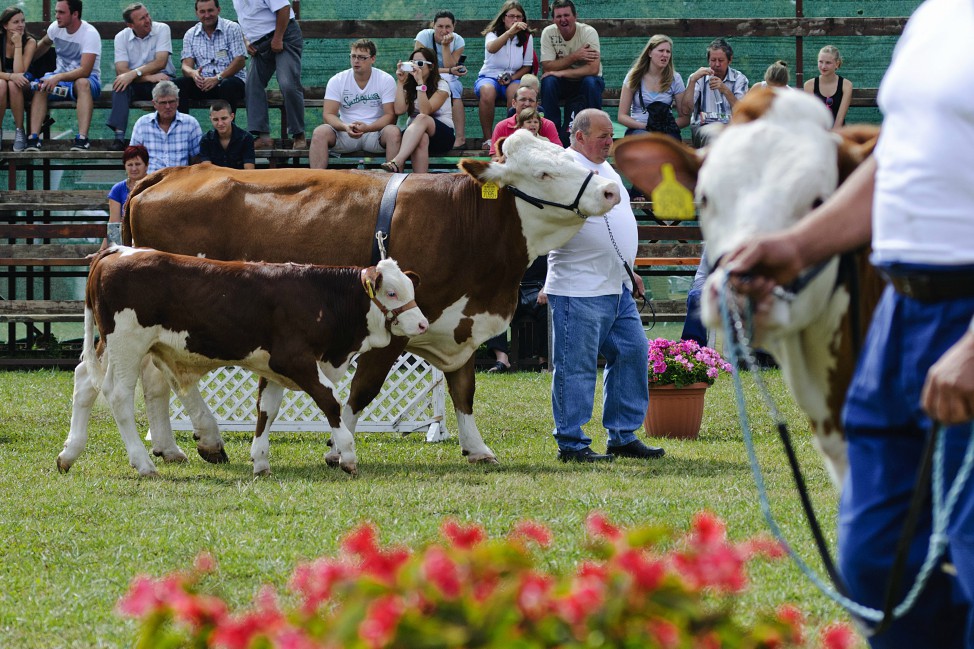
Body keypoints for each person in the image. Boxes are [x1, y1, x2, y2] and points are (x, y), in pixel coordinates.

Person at [723, 1, 974, 645]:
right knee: (874, 566)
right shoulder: (936, 16)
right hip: (903, 311)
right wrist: (800, 246)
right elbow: (901, 159)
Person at [546, 108, 664, 463]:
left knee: (632, 352)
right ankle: (571, 443)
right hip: (577, 288)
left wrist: (629, 268)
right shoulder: (561, 169)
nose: (609, 143)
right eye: (602, 136)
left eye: (611, 136)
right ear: (578, 136)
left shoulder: (605, 168)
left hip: (617, 287)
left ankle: (623, 435)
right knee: (576, 367)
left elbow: (614, 225)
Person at [308, 38, 399, 170]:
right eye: (353, 56)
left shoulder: (385, 79)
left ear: (373, 59)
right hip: (345, 133)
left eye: (362, 57)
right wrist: (345, 126)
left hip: (375, 133)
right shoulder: (337, 80)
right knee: (319, 132)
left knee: (393, 132)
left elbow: (390, 116)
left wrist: (368, 128)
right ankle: (316, 183)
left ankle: (394, 183)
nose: (356, 61)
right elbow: (328, 114)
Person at [24, 0, 102, 152]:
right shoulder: (56, 27)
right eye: (55, 12)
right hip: (60, 80)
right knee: (42, 84)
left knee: (82, 83)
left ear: (75, 14)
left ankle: (82, 139)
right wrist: (26, 63)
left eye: (61, 12)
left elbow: (85, 71)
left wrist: (57, 78)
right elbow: (45, 44)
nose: (56, 16)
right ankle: (33, 139)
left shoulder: (90, 34)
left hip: (88, 82)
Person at [231, 0, 304, 150]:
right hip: (260, 45)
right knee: (252, 85)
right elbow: (245, 19)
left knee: (287, 83)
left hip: (284, 36)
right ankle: (263, 137)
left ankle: (298, 134)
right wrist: (246, 40)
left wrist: (278, 38)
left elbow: (284, 8)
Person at [107, 3, 176, 150]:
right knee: (119, 85)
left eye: (147, 15)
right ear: (131, 25)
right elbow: (121, 70)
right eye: (142, 19)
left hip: (162, 79)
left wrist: (133, 73)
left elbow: (161, 62)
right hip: (140, 81)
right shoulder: (121, 37)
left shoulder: (162, 29)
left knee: (165, 87)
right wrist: (147, 77)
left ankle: (169, 134)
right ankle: (119, 138)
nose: (147, 20)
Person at [538, 0, 604, 147]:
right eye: (558, 16)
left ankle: (596, 130)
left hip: (586, 82)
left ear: (575, 16)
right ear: (553, 19)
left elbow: (593, 69)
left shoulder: (588, 32)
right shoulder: (548, 33)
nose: (563, 20)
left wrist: (561, 72)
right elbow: (547, 66)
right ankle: (550, 134)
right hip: (564, 84)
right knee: (548, 82)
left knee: (591, 82)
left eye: (567, 15)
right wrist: (575, 56)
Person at [381, 47, 453, 174]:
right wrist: (400, 82)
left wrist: (420, 83)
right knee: (422, 137)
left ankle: (397, 161)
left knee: (421, 118)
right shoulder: (409, 84)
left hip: (441, 136)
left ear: (431, 67)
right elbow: (399, 110)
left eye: (420, 63)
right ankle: (419, 183)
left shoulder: (442, 85)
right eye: (412, 63)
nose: (415, 67)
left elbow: (425, 111)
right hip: (414, 137)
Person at [476, 1, 534, 149]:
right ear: (504, 18)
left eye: (518, 17)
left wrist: (511, 78)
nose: (515, 20)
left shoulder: (527, 37)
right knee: (487, 91)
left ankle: (511, 138)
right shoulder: (492, 34)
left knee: (516, 93)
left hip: (513, 77)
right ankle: (488, 139)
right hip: (489, 76)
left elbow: (527, 65)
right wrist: (509, 33)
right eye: (511, 16)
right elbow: (491, 48)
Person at [175, 0, 247, 118]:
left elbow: (240, 61)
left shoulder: (232, 28)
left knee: (227, 85)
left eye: (210, 10)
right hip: (204, 84)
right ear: (197, 13)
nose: (207, 15)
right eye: (202, 11)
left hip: (231, 82)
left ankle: (227, 130)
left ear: (218, 10)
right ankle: (184, 126)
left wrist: (218, 78)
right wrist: (193, 74)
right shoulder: (190, 34)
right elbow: (186, 66)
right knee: (177, 85)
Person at [617, 34, 688, 140]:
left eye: (668, 52)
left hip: (666, 131)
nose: (665, 55)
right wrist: (646, 127)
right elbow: (621, 116)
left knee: (667, 144)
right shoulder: (634, 76)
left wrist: (665, 128)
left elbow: (685, 118)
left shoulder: (675, 78)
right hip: (639, 129)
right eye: (661, 51)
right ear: (649, 52)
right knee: (648, 140)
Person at [680, 37, 748, 148]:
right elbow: (686, 111)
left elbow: (742, 111)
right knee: (713, 136)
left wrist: (725, 89)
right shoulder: (698, 78)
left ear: (730, 60)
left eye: (721, 61)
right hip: (704, 128)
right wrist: (692, 81)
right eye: (713, 60)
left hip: (731, 127)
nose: (716, 64)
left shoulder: (739, 79)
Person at [415, 10, 467, 149]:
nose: (444, 30)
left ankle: (460, 136)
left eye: (448, 27)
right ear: (433, 25)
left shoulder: (458, 40)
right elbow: (419, 66)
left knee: (453, 86)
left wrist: (445, 46)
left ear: (453, 27)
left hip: (448, 78)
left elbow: (450, 65)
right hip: (425, 75)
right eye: (440, 26)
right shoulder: (423, 36)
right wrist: (448, 70)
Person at [129, 80, 202, 173]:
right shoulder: (142, 124)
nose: (168, 106)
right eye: (163, 103)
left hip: (179, 182)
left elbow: (197, 158)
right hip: (151, 182)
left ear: (178, 102)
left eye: (171, 102)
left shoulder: (191, 124)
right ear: (154, 104)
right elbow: (132, 157)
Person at [0, 6, 36, 151]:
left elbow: (20, 72)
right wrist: (10, 76)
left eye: (23, 21)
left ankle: (19, 131)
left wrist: (18, 45)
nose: (21, 25)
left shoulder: (30, 42)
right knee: (2, 84)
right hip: (2, 86)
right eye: (15, 22)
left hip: (23, 86)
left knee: (13, 85)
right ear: (5, 25)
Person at [101, 144, 149, 251]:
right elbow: (114, 224)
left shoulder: (154, 186)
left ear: (147, 165)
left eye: (138, 164)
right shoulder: (117, 189)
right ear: (124, 166)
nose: (134, 168)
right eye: (130, 165)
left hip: (150, 240)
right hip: (125, 243)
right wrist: (105, 252)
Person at [489, 84, 559, 157]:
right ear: (514, 103)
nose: (527, 104)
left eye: (531, 100)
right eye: (523, 100)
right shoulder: (501, 126)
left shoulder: (548, 125)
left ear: (536, 105)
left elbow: (558, 153)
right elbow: (495, 157)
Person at [804, 45, 853, 129]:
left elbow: (840, 118)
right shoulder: (809, 85)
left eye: (828, 63)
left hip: (839, 134)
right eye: (820, 62)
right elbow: (813, 116)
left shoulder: (846, 85)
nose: (823, 66)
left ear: (837, 64)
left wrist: (832, 137)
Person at [199, 99, 254, 169]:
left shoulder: (246, 138)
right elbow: (207, 170)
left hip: (239, 178)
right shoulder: (206, 140)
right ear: (210, 119)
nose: (220, 123)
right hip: (215, 179)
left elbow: (249, 171)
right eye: (215, 119)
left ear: (232, 117)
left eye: (224, 118)